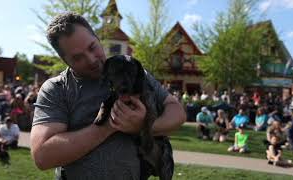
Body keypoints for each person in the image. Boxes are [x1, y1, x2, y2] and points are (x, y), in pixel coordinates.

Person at [30, 12, 186, 180]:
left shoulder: (132, 71)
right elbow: (42, 156)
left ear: (97, 38)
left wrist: (142, 126)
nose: (91, 60)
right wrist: (108, 126)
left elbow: (177, 112)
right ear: (64, 59)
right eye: (77, 57)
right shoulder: (56, 88)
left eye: (92, 47)